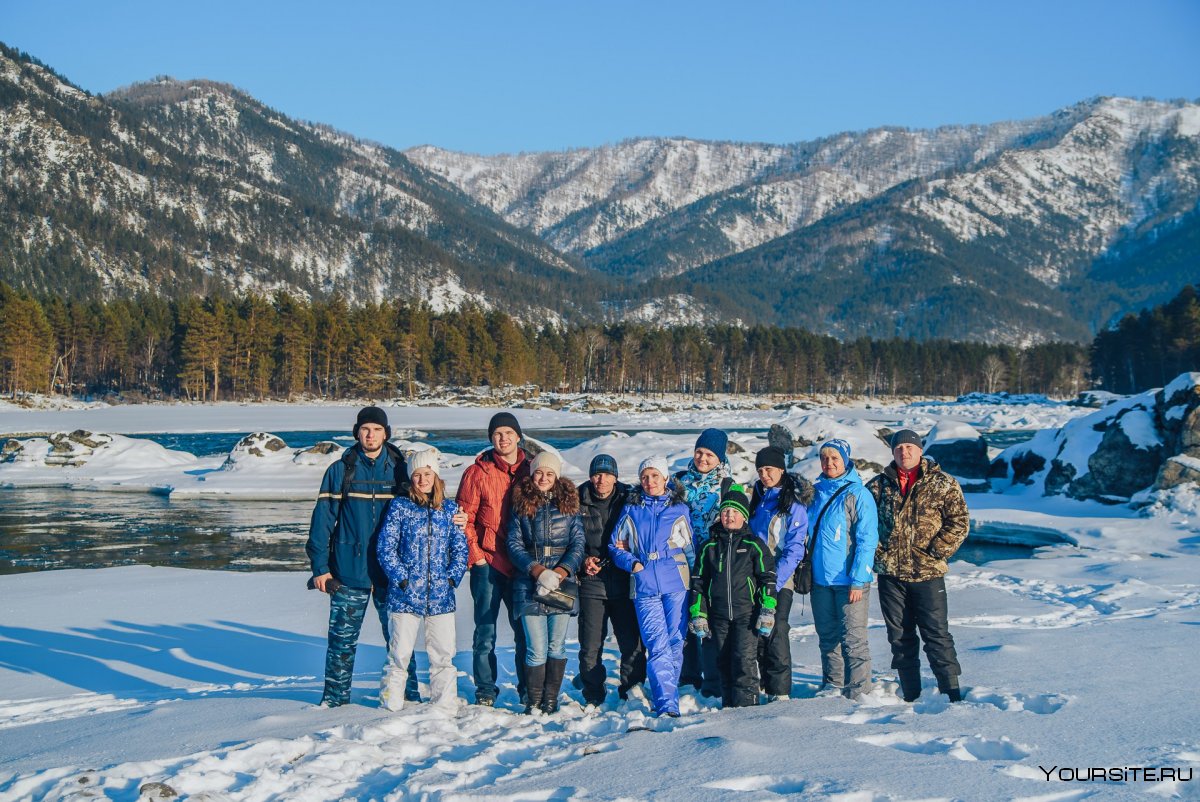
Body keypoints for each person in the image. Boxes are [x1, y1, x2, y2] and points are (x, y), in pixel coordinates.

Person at [306, 406, 419, 708]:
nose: (371, 435)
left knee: (400, 643)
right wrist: (320, 568)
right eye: (365, 429)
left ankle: (410, 698)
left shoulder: (400, 470)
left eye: (377, 429)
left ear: (386, 433)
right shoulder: (341, 470)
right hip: (347, 573)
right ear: (357, 432)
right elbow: (322, 523)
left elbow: (422, 514)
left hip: (391, 575)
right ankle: (334, 702)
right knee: (341, 644)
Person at [867, 429, 970, 703]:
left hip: (928, 574)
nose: (904, 452)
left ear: (920, 450)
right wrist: (880, 555)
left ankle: (952, 693)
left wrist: (936, 551)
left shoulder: (943, 483)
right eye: (899, 448)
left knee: (937, 635)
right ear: (892, 452)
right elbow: (864, 526)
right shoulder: (878, 485)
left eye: (909, 447)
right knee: (900, 637)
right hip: (891, 576)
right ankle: (911, 693)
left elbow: (959, 522)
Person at [376, 449, 468, 712]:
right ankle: (391, 703)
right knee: (400, 654)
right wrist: (401, 580)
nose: (422, 479)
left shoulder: (449, 509)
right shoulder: (400, 507)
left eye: (427, 474)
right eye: (416, 475)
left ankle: (444, 704)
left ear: (436, 476)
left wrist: (451, 579)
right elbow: (386, 547)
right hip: (405, 597)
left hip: (441, 596)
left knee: (443, 654)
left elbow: (460, 549)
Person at [609, 457, 694, 717]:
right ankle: (666, 703)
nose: (650, 482)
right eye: (645, 477)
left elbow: (689, 548)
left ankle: (667, 694)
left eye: (655, 476)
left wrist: (698, 580)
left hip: (677, 582)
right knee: (657, 644)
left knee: (676, 641)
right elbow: (614, 546)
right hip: (644, 585)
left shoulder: (679, 509)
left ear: (665, 478)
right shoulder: (632, 510)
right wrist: (632, 563)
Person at [456, 411, 530, 707]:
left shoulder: (532, 470)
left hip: (522, 565)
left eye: (508, 433)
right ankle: (486, 689)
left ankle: (528, 688)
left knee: (524, 631)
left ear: (518, 436)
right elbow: (464, 520)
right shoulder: (478, 472)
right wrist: (477, 558)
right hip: (488, 563)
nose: (503, 438)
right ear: (491, 438)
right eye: (497, 434)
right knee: (485, 631)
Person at [507, 451, 585, 714]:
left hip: (561, 585)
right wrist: (538, 571)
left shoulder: (569, 505)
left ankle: (550, 700)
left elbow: (578, 544)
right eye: (539, 472)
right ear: (532, 474)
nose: (543, 477)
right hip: (529, 585)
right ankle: (533, 701)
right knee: (536, 648)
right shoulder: (521, 504)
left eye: (549, 473)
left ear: (557, 476)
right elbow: (514, 544)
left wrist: (561, 572)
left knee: (557, 646)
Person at [689, 485, 778, 708]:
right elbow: (698, 583)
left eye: (735, 512)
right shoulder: (708, 546)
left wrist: (767, 609)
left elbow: (768, 578)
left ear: (744, 517)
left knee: (744, 662)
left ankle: (748, 709)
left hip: (746, 616)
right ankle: (729, 709)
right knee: (722, 661)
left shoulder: (753, 545)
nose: (729, 516)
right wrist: (698, 613)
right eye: (726, 511)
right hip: (718, 617)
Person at [808, 439, 879, 700]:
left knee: (853, 639)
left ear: (846, 460)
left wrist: (859, 579)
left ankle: (860, 691)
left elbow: (867, 540)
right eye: (825, 458)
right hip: (820, 580)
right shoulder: (814, 493)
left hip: (850, 582)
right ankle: (832, 684)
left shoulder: (858, 495)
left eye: (835, 458)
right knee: (827, 636)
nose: (829, 463)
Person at [576, 454, 645, 706]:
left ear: (615, 477)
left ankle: (632, 687)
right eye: (596, 474)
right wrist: (583, 560)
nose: (601, 479)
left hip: (623, 579)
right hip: (592, 581)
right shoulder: (576, 500)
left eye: (607, 474)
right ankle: (593, 693)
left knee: (632, 643)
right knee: (590, 645)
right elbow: (568, 540)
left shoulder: (630, 498)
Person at [747, 446, 813, 701]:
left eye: (769, 470)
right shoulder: (759, 497)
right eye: (761, 470)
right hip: (754, 577)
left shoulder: (792, 504)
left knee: (776, 629)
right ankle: (764, 682)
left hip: (779, 578)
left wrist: (774, 580)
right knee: (758, 631)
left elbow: (795, 548)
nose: (764, 475)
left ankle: (780, 689)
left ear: (781, 470)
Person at [675, 428, 733, 696]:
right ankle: (688, 676)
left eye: (710, 454)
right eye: (699, 452)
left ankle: (714, 679)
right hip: (681, 563)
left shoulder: (729, 486)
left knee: (710, 620)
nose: (703, 458)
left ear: (720, 458)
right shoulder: (679, 482)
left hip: (713, 563)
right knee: (685, 619)